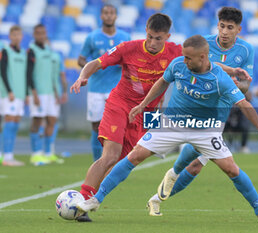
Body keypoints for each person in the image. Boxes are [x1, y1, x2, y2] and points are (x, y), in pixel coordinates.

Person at [76, 35, 258, 224]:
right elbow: (162, 82)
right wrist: (143, 105)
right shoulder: (179, 64)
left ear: (203, 57)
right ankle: (96, 199)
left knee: (231, 169)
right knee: (135, 155)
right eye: (184, 56)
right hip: (173, 121)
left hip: (205, 129)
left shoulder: (220, 79)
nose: (185, 61)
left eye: (189, 58)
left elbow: (244, 104)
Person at [70, 13, 183, 222]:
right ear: (145, 32)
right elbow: (95, 63)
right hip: (120, 105)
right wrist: (82, 77)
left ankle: (90, 199)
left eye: (158, 38)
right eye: (149, 36)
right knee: (110, 156)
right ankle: (83, 200)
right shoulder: (128, 48)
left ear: (167, 36)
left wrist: (229, 72)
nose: (152, 42)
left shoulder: (176, 52)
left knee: (122, 163)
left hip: (147, 114)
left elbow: (203, 61)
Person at [146, 7, 256, 217]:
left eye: (230, 27)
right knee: (196, 163)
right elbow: (187, 68)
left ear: (238, 29)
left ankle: (161, 190)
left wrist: (232, 85)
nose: (224, 31)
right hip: (193, 109)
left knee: (195, 166)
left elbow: (245, 86)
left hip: (219, 112)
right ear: (217, 25)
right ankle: (161, 192)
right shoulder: (202, 44)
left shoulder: (247, 50)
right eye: (221, 26)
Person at [78, 4, 130, 162]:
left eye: (111, 13)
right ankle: (97, 162)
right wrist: (90, 69)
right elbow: (81, 59)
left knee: (119, 126)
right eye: (105, 13)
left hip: (117, 89)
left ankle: (116, 161)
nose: (108, 16)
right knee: (96, 126)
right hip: (96, 89)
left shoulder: (125, 37)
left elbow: (130, 59)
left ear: (115, 16)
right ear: (101, 16)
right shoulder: (92, 37)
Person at [0, 26, 26, 166]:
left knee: (15, 123)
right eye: (14, 35)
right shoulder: (6, 51)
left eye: (19, 34)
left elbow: (25, 74)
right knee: (9, 122)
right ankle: (7, 157)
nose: (17, 37)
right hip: (9, 93)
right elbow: (3, 72)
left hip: (20, 93)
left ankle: (9, 154)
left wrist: (26, 93)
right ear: (10, 36)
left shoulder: (23, 53)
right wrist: (9, 90)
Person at [50, 49, 68, 155]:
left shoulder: (56, 57)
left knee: (52, 121)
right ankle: (39, 151)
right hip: (46, 93)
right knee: (44, 121)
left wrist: (64, 92)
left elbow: (62, 76)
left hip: (55, 94)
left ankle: (49, 149)